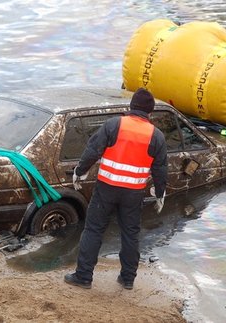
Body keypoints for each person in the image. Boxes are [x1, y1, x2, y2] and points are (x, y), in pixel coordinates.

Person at [64, 88, 168, 290]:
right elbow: (161, 168)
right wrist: (160, 193)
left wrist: (80, 171)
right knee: (130, 234)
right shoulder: (156, 136)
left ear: (131, 107)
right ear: (150, 112)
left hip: (106, 188)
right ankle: (127, 279)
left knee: (94, 229)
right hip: (133, 193)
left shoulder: (114, 125)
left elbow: (93, 149)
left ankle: (84, 276)